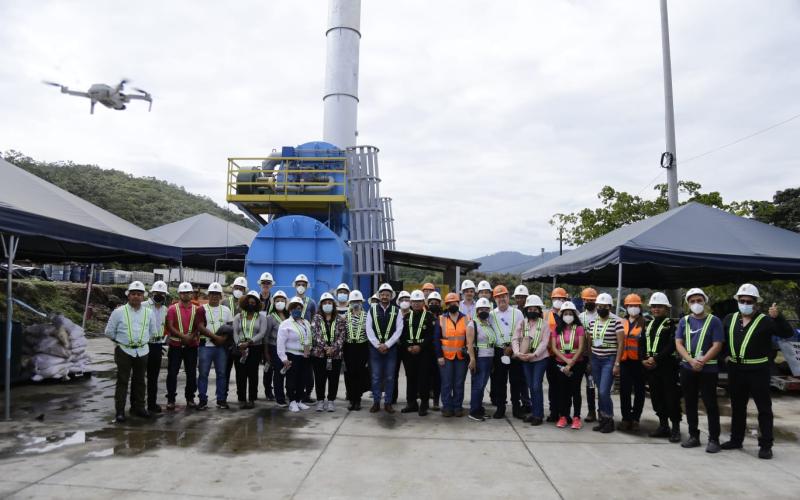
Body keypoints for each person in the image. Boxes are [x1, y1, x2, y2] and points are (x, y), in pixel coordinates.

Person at [721, 284, 794, 459]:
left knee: (764, 409)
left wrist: (778, 318)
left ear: (756, 304)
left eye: (749, 301)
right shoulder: (730, 319)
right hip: (736, 370)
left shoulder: (766, 321)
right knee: (738, 407)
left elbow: (787, 333)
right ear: (737, 301)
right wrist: (725, 357)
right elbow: (721, 340)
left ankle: (766, 445)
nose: (745, 303)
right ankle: (736, 439)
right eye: (742, 300)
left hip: (758, 370)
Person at [675, 288, 723, 452]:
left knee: (710, 404)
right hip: (688, 368)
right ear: (688, 304)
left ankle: (714, 439)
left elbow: (717, 345)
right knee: (690, 403)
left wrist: (702, 360)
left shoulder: (714, 321)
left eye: (699, 300)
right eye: (692, 301)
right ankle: (693, 435)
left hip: (708, 369)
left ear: (705, 301)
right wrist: (690, 360)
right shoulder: (684, 321)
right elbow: (679, 343)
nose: (696, 304)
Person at [105, 281, 160, 422]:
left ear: (143, 297)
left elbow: (153, 331)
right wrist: (121, 341)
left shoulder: (149, 313)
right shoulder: (119, 312)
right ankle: (120, 411)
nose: (136, 296)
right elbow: (109, 332)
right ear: (128, 296)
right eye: (133, 294)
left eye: (139, 294)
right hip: (124, 350)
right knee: (122, 381)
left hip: (142, 351)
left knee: (140, 381)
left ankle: (139, 408)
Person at [640, 292, 681, 442]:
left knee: (671, 398)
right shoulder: (648, 324)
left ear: (666, 308)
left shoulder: (671, 325)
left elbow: (672, 345)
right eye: (654, 306)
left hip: (666, 367)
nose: (656, 309)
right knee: (656, 398)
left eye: (659, 307)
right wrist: (642, 359)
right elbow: (642, 343)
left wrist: (656, 358)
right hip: (651, 368)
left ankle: (675, 428)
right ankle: (663, 426)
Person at [165, 281, 206, 411]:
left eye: (188, 292)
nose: (185, 295)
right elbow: (170, 326)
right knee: (172, 373)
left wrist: (192, 336)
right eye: (183, 293)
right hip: (175, 345)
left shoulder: (197, 309)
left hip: (192, 346)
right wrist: (184, 337)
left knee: (191, 373)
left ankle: (190, 398)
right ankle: (171, 399)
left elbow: (200, 326)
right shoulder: (172, 309)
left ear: (192, 294)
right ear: (179, 294)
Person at [587, 292, 624, 433]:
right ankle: (603, 419)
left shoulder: (616, 322)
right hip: (596, 359)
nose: (601, 308)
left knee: (603, 391)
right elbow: (589, 343)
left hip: (609, 360)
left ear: (610, 307)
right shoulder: (592, 323)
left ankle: (609, 419)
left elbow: (621, 343)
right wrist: (590, 361)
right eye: (599, 306)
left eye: (605, 306)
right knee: (599, 391)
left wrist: (617, 363)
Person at [366, 283, 404, 413]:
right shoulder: (371, 310)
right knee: (376, 376)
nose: (384, 296)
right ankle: (376, 402)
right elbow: (368, 329)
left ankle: (388, 403)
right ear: (379, 295)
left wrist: (387, 344)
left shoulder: (397, 310)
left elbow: (399, 330)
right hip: (375, 349)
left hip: (391, 349)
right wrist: (378, 345)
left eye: (387, 294)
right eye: (382, 294)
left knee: (389, 377)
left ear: (391, 296)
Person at [513, 294, 550, 425]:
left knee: (536, 386)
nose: (532, 312)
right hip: (525, 359)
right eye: (530, 309)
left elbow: (544, 343)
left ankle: (538, 415)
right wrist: (517, 353)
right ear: (526, 310)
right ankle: (534, 413)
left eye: (535, 309)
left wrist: (533, 355)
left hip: (540, 359)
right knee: (530, 386)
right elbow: (515, 339)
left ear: (539, 311)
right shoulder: (522, 323)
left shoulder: (544, 325)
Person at [489, 285, 525, 419]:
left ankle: (516, 408)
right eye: (498, 297)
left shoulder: (518, 313)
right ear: (495, 299)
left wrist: (512, 346)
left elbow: (522, 332)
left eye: (503, 296)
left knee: (516, 381)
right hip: (499, 351)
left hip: (515, 350)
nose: (501, 299)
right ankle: (500, 408)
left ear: (508, 297)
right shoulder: (492, 315)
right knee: (500, 381)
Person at [197, 282, 233, 410]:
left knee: (222, 373)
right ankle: (202, 399)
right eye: (212, 294)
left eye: (217, 294)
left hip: (221, 348)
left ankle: (221, 399)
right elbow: (200, 327)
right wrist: (215, 338)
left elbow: (230, 327)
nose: (214, 297)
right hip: (205, 346)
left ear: (221, 296)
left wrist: (222, 340)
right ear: (208, 295)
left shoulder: (226, 310)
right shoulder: (201, 309)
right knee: (203, 373)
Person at [550, 301, 586, 429]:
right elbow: (554, 348)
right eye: (565, 313)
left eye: (570, 313)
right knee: (562, 391)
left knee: (575, 390)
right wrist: (566, 361)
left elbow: (581, 347)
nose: (568, 316)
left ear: (574, 315)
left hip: (577, 364)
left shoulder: (580, 328)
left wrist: (571, 363)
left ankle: (576, 417)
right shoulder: (557, 329)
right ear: (562, 315)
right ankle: (563, 416)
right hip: (561, 364)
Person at [400, 290, 435, 415]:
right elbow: (402, 335)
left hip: (424, 353)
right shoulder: (406, 317)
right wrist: (408, 347)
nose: (416, 304)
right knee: (410, 378)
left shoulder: (429, 317)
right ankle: (412, 403)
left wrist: (420, 347)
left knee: (423, 378)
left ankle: (424, 404)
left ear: (423, 302)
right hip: (409, 353)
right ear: (411, 303)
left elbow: (431, 336)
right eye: (414, 301)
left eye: (419, 301)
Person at [435, 293, 469, 417]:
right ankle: (447, 407)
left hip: (461, 357)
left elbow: (469, 339)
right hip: (446, 357)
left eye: (454, 303)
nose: (452, 305)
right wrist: (439, 356)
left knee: (459, 383)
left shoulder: (466, 319)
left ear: (458, 303)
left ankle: (458, 407)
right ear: (446, 305)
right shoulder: (441, 319)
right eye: (449, 303)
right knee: (446, 383)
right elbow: (436, 339)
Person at [311, 292, 346, 412]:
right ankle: (320, 400)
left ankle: (331, 400)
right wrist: (326, 347)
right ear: (321, 305)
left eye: (329, 303)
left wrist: (334, 348)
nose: (327, 305)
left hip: (335, 355)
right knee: (320, 378)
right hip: (319, 354)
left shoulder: (340, 319)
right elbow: (315, 335)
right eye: (325, 303)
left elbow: (342, 336)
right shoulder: (316, 318)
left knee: (333, 379)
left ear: (333, 305)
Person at [277, 296, 313, 412]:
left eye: (299, 308)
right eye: (294, 308)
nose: (297, 310)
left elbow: (308, 338)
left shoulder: (306, 322)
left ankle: (299, 400)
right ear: (290, 310)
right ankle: (292, 401)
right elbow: (280, 343)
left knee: (302, 379)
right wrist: (283, 358)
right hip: (292, 355)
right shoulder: (285, 324)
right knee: (291, 380)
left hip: (305, 355)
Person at [232, 291, 267, 408]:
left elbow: (262, 333)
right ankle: (241, 398)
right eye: (249, 301)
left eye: (253, 302)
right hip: (240, 348)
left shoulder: (262, 317)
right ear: (244, 302)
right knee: (240, 374)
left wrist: (250, 342)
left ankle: (252, 398)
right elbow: (235, 332)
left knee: (253, 374)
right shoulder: (239, 316)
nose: (251, 304)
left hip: (255, 348)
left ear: (257, 304)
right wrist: (239, 343)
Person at [618, 293, 646, 431]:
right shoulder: (622, 322)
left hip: (639, 362)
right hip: (625, 361)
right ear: (626, 307)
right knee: (625, 391)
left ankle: (635, 418)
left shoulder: (645, 322)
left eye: (635, 305)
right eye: (630, 306)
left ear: (639, 307)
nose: (633, 308)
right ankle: (626, 418)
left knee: (639, 391)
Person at [466, 298, 497, 421]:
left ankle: (479, 409)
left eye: (486, 309)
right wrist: (472, 359)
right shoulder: (472, 324)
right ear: (477, 311)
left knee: (482, 385)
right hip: (479, 359)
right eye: (481, 309)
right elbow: (470, 344)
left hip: (489, 358)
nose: (484, 311)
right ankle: (474, 411)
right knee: (477, 386)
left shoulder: (488, 324)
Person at [143, 280, 168, 413]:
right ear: (152, 292)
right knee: (140, 376)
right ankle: (138, 405)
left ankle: (152, 404)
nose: (160, 295)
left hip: (157, 345)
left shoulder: (165, 310)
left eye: (163, 293)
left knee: (153, 377)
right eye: (157, 293)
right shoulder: (143, 306)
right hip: (144, 345)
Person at [343, 290, 370, 411]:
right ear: (349, 303)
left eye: (358, 301)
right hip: (349, 347)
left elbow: (370, 334)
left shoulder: (367, 316)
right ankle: (351, 399)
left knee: (360, 373)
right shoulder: (344, 316)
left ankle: (358, 399)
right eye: (353, 301)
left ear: (361, 302)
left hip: (362, 347)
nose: (355, 303)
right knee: (349, 374)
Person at [545, 287, 569, 422]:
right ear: (552, 299)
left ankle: (563, 412)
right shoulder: (546, 315)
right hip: (550, 356)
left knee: (564, 385)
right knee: (553, 384)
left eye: (562, 299)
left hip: (565, 357)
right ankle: (554, 411)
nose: (559, 301)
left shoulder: (570, 315)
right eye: (556, 298)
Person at [292, 273, 317, 403]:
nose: (301, 286)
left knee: (308, 369)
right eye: (299, 284)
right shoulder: (290, 301)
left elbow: (314, 319)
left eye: (303, 285)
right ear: (295, 285)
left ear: (307, 287)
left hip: (307, 340)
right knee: (294, 368)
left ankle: (307, 393)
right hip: (294, 340)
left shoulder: (311, 302)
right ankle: (293, 392)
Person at [264, 290, 289, 408]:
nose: (280, 302)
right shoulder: (270, 318)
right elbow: (266, 336)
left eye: (282, 300)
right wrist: (266, 353)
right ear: (273, 303)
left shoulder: (289, 316)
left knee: (288, 372)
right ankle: (279, 397)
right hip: (274, 348)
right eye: (277, 301)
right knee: (279, 373)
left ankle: (289, 394)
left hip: (288, 348)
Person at [579, 287, 598, 423]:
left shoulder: (600, 316)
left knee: (592, 385)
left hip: (596, 356)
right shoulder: (580, 317)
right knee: (585, 385)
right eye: (587, 300)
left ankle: (597, 411)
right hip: (582, 356)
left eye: (592, 300)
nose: (589, 302)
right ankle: (589, 411)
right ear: (583, 300)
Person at [392, 291, 412, 405]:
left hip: (408, 349)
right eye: (402, 299)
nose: (404, 302)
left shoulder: (414, 314)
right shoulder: (394, 314)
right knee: (393, 374)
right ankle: (392, 398)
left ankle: (410, 400)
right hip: (395, 347)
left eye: (407, 299)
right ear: (398, 302)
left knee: (410, 374)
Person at [258, 272, 275, 401]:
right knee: (252, 367)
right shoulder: (254, 299)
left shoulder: (275, 301)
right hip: (255, 338)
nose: (266, 285)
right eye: (264, 283)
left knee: (269, 365)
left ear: (271, 285)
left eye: (268, 283)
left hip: (268, 339)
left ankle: (268, 391)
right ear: (260, 284)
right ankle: (252, 392)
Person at [426, 291, 443, 411]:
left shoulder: (443, 317)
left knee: (438, 377)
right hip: (426, 351)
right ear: (428, 304)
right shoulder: (424, 316)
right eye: (431, 303)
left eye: (436, 303)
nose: (434, 304)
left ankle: (436, 401)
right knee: (426, 377)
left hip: (440, 352)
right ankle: (425, 400)